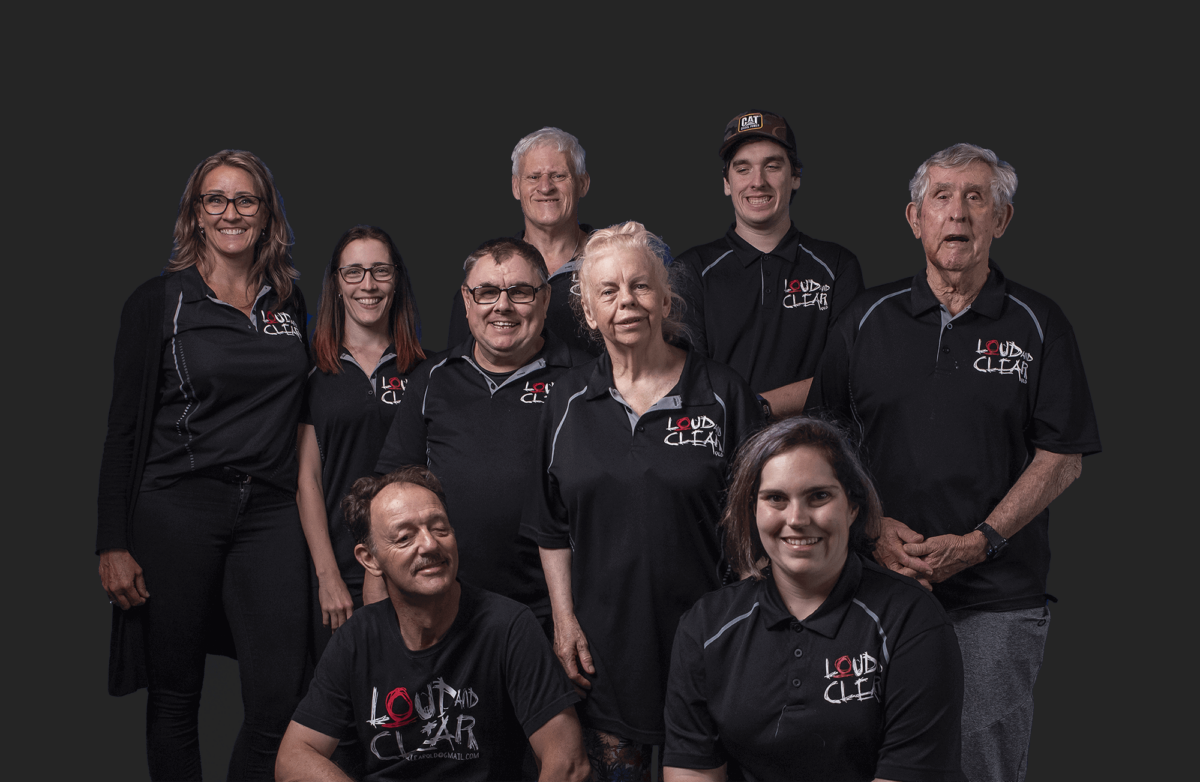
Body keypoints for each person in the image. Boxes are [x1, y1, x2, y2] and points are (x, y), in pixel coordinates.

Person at [807, 143, 1102, 782]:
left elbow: (1063, 456)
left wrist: (982, 541)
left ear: (1003, 219)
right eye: (942, 197)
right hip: (874, 584)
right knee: (866, 756)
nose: (958, 214)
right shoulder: (865, 321)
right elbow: (822, 446)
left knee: (980, 764)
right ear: (915, 218)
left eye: (977, 198)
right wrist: (875, 529)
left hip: (997, 597)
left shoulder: (1039, 323)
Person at [96, 149, 311, 780]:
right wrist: (111, 541)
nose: (231, 213)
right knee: (175, 698)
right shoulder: (159, 302)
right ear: (194, 215)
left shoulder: (290, 303)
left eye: (246, 200)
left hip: (271, 513)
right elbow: (122, 429)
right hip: (178, 506)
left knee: (278, 699)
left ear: (267, 214)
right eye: (214, 200)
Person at [527, 221, 763, 780]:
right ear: (587, 311)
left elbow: (762, 524)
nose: (625, 301)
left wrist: (756, 628)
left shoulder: (724, 394)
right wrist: (564, 621)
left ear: (664, 298)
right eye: (607, 291)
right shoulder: (564, 401)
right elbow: (550, 524)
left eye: (639, 285)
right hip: (605, 653)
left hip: (712, 643)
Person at [663, 416, 965, 782]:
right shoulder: (706, 627)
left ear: (853, 506)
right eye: (775, 498)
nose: (796, 518)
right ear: (752, 510)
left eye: (818, 496)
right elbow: (692, 772)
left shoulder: (912, 620)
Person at [276, 467, 590, 782]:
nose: (429, 545)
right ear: (369, 558)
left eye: (440, 528)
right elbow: (293, 758)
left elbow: (568, 764)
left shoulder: (509, 627)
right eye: (405, 537)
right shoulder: (357, 638)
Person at [376, 237, 591, 633]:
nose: (502, 306)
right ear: (467, 300)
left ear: (544, 300)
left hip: (554, 612)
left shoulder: (585, 382)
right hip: (445, 609)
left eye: (521, 292)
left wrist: (568, 617)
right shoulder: (432, 380)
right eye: (487, 292)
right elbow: (391, 490)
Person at [676, 110, 864, 418]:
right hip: (721, 452)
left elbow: (848, 374)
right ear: (726, 183)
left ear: (795, 177)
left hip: (812, 449)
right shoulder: (691, 271)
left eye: (772, 166)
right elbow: (684, 379)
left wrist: (754, 408)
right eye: (743, 169)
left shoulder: (836, 266)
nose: (757, 182)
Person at [298, 224, 425, 661]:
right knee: (346, 709)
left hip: (414, 562)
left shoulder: (429, 371)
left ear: (397, 280)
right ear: (336, 283)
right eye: (353, 272)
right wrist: (328, 576)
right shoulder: (313, 374)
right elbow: (307, 481)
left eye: (379, 271)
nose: (367, 285)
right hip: (341, 570)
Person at [447, 126, 602, 354]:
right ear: (516, 187)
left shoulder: (612, 263)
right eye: (533, 177)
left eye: (558, 176)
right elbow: (458, 369)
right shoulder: (487, 273)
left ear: (583, 184)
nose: (546, 187)